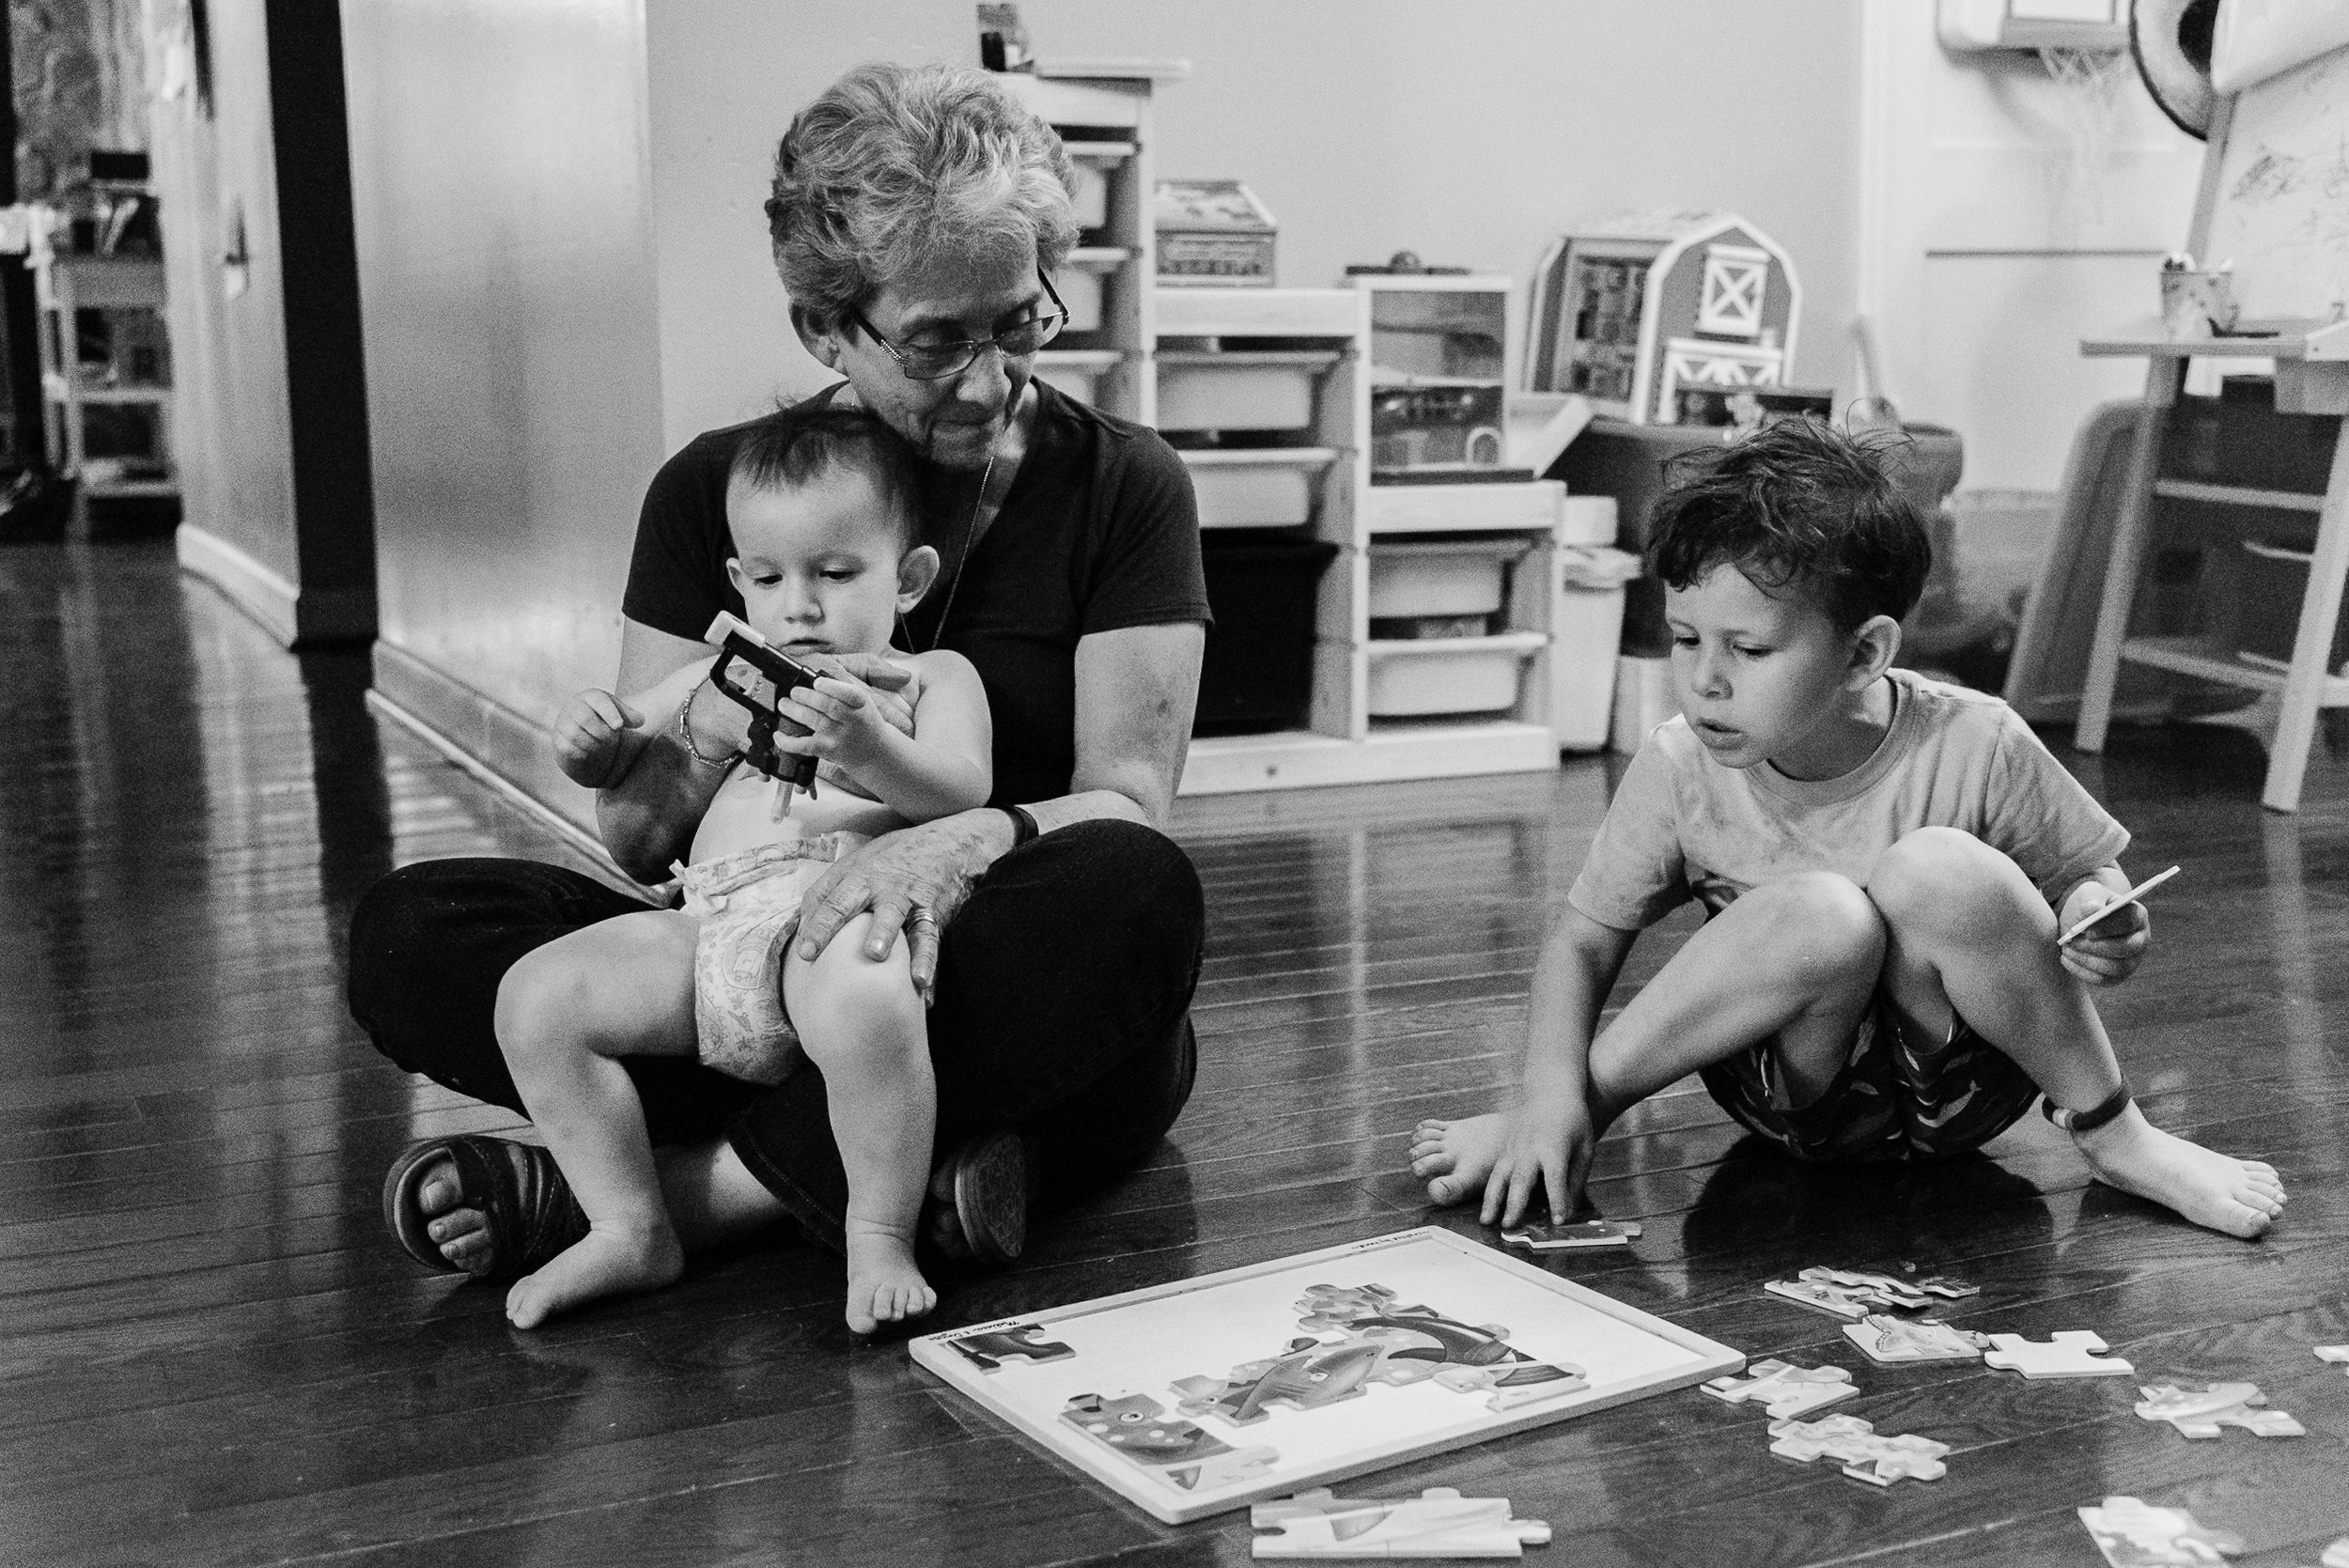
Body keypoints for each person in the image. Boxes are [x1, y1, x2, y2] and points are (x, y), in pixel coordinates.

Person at [350, 59, 1210, 1322]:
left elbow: (1126, 803)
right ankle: (895, 1166)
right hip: (745, 946)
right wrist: (698, 721)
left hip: (983, 962)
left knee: (1142, 913)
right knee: (411, 935)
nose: (986, 379)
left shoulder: (1124, 487)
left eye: (1017, 322)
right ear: (824, 328)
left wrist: (954, 846)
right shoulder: (718, 495)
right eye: (933, 339)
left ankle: (671, 1199)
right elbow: (642, 847)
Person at [1408, 418, 2287, 1241]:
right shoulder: (1680, 765)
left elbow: (2088, 886)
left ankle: (2118, 1135)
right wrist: (1554, 1095)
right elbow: (1581, 945)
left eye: (1748, 651)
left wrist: (2105, 917)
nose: (1705, 680)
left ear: (1865, 653)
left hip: (1968, 1093)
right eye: (1683, 638)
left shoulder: (1977, 739)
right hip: (1797, 1096)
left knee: (1936, 869)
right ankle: (1557, 1124)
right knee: (1827, 914)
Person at [454, 407, 992, 1334]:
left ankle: (877, 1233)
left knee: (872, 1000)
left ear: (906, 580)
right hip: (707, 926)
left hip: (829, 917)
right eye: (773, 578)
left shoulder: (931, 677)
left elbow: (962, 791)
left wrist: (870, 747)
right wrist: (594, 744)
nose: (803, 606)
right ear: (739, 581)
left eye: (835, 573)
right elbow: (631, 753)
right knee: (535, 997)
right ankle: (632, 1226)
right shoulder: (722, 669)